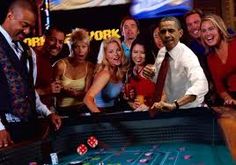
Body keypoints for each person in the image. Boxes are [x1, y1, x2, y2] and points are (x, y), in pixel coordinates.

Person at [0, 0, 61, 147]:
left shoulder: (28, 52)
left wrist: (47, 113)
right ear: (10, 16)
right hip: (5, 132)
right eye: (24, 25)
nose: (27, 32)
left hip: (29, 130)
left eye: (31, 28)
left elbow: (30, 92)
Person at [143, 16, 208, 111]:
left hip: (191, 110)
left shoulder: (187, 56)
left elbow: (202, 85)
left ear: (180, 33)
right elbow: (162, 80)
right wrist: (151, 75)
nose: (167, 35)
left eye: (171, 30)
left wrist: (175, 104)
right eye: (163, 31)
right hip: (170, 110)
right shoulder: (162, 52)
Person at [53, 28, 94, 113]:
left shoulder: (89, 67)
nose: (80, 51)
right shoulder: (60, 65)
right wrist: (63, 91)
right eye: (77, 47)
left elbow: (88, 94)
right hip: (62, 111)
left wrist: (73, 93)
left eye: (84, 46)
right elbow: (52, 91)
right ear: (71, 48)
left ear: (88, 48)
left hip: (82, 109)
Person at [84, 37, 128, 113]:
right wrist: (102, 118)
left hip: (114, 110)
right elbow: (87, 99)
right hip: (102, 112)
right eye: (111, 52)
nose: (116, 54)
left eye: (118, 50)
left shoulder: (117, 71)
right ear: (106, 56)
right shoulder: (105, 74)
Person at [200, 14, 236, 107]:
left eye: (211, 29)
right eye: (204, 31)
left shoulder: (234, 43)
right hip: (232, 98)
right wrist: (229, 99)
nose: (207, 34)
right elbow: (220, 88)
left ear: (220, 29)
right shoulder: (210, 58)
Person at [35, 26, 66, 111]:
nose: (57, 45)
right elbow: (21, 93)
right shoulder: (33, 57)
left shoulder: (49, 60)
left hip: (46, 114)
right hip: (32, 116)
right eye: (53, 40)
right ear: (45, 38)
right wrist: (46, 90)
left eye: (60, 42)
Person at [124, 37, 156, 111]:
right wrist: (132, 104)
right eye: (135, 52)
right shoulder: (129, 72)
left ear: (147, 53)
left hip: (153, 113)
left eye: (142, 52)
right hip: (138, 114)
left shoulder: (151, 69)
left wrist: (149, 108)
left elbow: (164, 95)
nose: (138, 56)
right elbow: (130, 100)